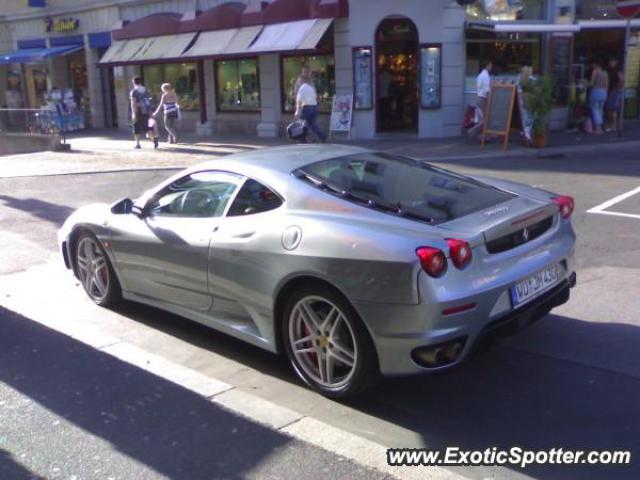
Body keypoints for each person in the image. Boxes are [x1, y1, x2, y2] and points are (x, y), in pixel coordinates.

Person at [295, 73, 326, 143]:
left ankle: (303, 140)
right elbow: (315, 97)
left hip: (306, 107)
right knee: (312, 124)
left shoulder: (302, 88)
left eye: (299, 81)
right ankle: (322, 136)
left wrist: (297, 111)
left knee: (301, 124)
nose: (298, 82)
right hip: (314, 107)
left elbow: (299, 100)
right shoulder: (311, 87)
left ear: (302, 80)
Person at [587, 61, 608, 135]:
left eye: (593, 65)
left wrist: (585, 83)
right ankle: (600, 127)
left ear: (596, 64)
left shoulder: (595, 72)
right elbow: (606, 85)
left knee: (595, 110)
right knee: (600, 110)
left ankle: (598, 128)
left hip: (596, 91)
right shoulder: (605, 73)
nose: (592, 66)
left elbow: (592, 83)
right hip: (603, 93)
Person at [129, 76, 150, 149]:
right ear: (140, 82)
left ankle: (137, 143)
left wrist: (134, 113)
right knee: (146, 126)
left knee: (136, 127)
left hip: (138, 111)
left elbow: (133, 103)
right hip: (145, 110)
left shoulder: (133, 91)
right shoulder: (145, 90)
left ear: (133, 82)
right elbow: (148, 101)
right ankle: (154, 139)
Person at [605, 58, 624, 132]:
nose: (610, 63)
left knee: (611, 108)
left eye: (611, 61)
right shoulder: (612, 70)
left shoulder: (617, 70)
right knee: (612, 109)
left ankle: (613, 126)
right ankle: (613, 126)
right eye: (610, 62)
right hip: (614, 90)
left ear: (615, 62)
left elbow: (622, 80)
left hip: (615, 91)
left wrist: (616, 88)